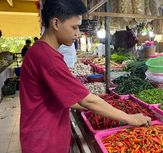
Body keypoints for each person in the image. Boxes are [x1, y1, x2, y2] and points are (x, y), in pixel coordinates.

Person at [19, 1, 151, 153]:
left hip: (43, 136)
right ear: (55, 23)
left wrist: (103, 108)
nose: (78, 33)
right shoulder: (47, 57)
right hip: (44, 143)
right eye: (74, 27)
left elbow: (59, 97)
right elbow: (87, 100)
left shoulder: (41, 51)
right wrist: (130, 118)